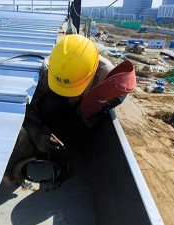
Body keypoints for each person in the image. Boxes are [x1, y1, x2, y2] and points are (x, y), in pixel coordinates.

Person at [6, 34, 115, 182]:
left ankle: (70, 140)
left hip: (79, 115)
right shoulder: (46, 71)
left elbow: (104, 107)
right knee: (50, 102)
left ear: (92, 72)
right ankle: (51, 136)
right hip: (54, 112)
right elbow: (29, 108)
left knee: (78, 137)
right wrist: (37, 134)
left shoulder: (106, 76)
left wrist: (86, 123)